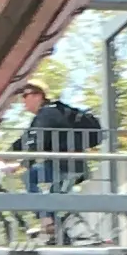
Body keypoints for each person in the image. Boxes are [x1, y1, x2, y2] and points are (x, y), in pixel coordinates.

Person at [18, 80, 102, 245]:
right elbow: (24, 141)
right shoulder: (41, 117)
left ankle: (49, 225)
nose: (23, 101)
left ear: (38, 96)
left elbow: (38, 144)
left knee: (49, 194)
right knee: (32, 178)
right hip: (58, 166)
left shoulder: (47, 115)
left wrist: (19, 164)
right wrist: (3, 156)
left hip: (69, 168)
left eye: (25, 95)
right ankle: (51, 225)